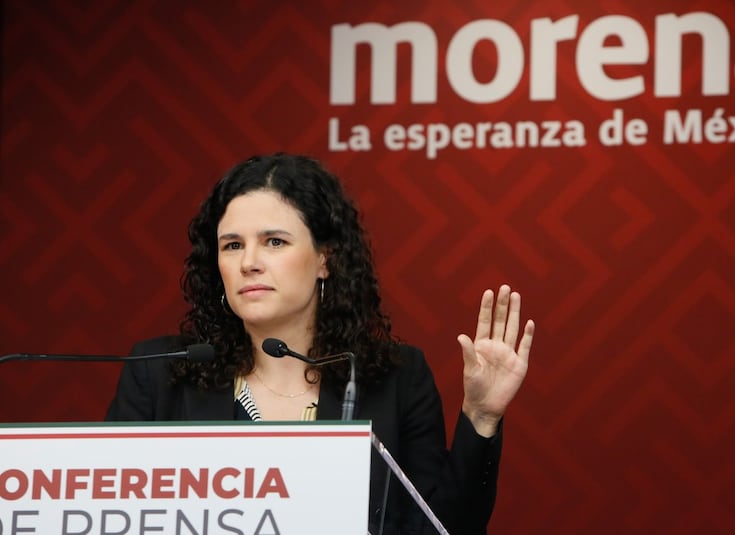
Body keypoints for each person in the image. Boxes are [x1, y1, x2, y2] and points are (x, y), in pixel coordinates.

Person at [105, 153, 534, 534]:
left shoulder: (397, 378)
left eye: (274, 242)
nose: (249, 262)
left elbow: (442, 527)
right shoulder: (159, 371)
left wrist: (481, 416)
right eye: (232, 245)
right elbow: (107, 515)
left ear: (325, 259)